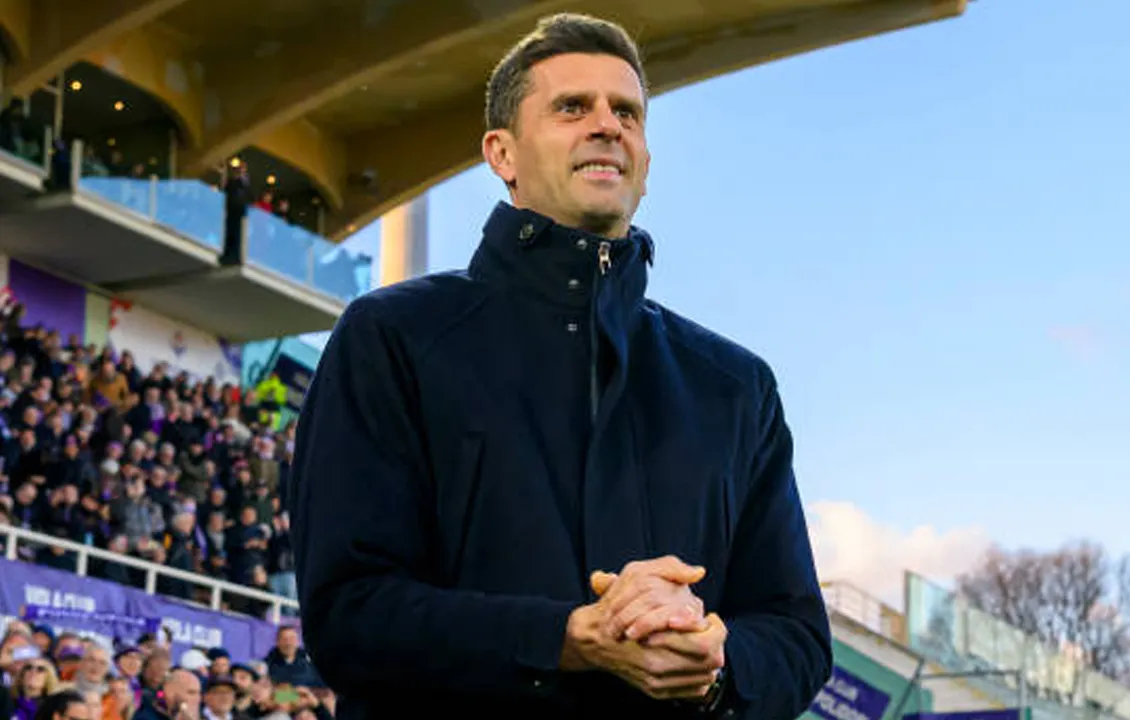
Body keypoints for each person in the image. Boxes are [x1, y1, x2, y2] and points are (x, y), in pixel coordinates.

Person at [289, 12, 832, 719]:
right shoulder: (392, 336)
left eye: (627, 113)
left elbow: (797, 635)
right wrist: (567, 639)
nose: (607, 126)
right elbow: (349, 612)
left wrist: (715, 659)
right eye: (572, 107)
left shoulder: (735, 386)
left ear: (645, 162)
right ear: (502, 153)